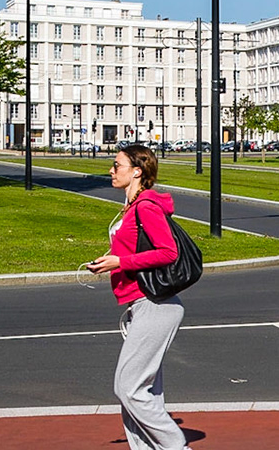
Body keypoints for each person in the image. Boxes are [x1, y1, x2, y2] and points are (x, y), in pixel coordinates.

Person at [85, 144, 186, 450]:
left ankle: (176, 446)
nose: (111, 170)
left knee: (128, 387)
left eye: (117, 165)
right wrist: (111, 261)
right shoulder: (131, 207)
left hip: (155, 305)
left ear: (137, 171)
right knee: (144, 391)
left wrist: (120, 263)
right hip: (139, 305)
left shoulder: (146, 206)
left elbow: (169, 252)